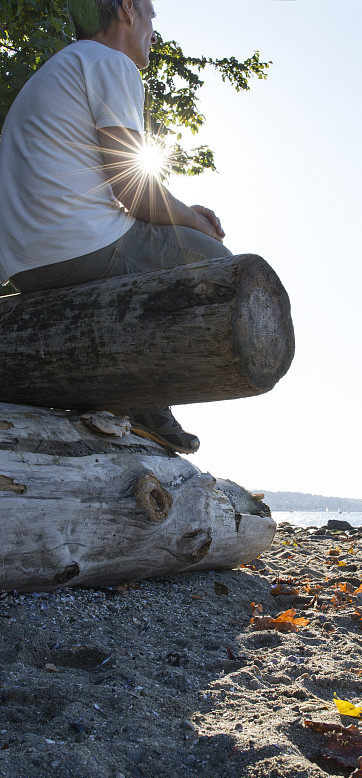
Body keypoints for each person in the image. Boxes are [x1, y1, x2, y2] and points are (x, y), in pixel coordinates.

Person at [0, 0, 230, 453]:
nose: (153, 29)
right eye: (150, 15)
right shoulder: (111, 63)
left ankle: (135, 399)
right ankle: (144, 397)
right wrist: (194, 218)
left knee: (179, 241)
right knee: (218, 266)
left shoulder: (57, 69)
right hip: (78, 245)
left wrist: (179, 211)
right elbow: (134, 191)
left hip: (24, 263)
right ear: (127, 10)